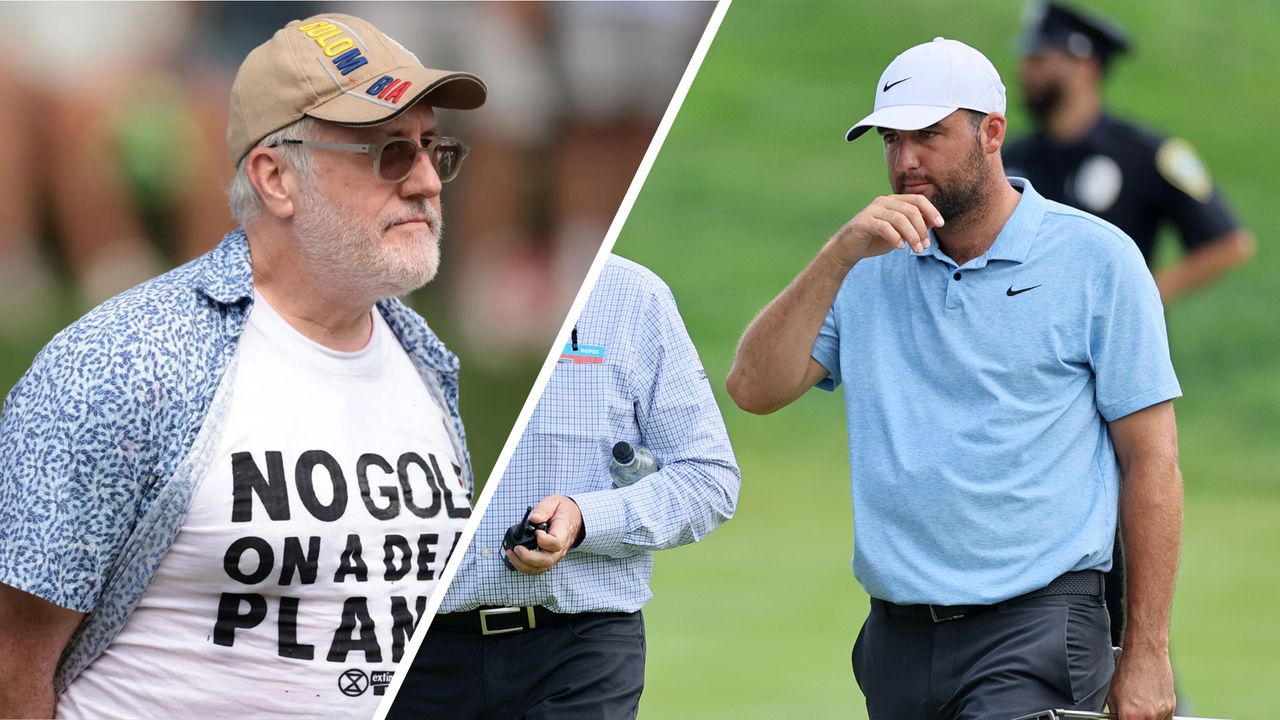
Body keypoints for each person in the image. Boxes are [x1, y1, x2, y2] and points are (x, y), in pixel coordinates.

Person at [0, 13, 487, 718]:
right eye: (387, 152)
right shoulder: (120, 363)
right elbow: (13, 663)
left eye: (432, 149)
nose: (426, 183)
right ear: (276, 178)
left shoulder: (424, 358)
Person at [727, 37, 1182, 720]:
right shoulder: (865, 264)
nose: (905, 161)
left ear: (991, 132)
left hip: (1035, 630)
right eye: (890, 139)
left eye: (929, 136)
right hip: (895, 640)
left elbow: (1152, 460)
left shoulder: (1098, 260)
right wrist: (838, 255)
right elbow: (752, 390)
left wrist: (1146, 651)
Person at [390, 254, 741, 720]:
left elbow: (708, 476)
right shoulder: (391, 291)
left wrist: (584, 519)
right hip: (416, 652)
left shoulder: (634, 296)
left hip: (578, 650)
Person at [1004, 2, 1255, 306]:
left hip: (1113, 349)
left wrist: (1136, 297)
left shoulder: (1147, 154)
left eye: (1039, 59)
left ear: (1086, 67)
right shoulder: (1011, 157)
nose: (1024, 71)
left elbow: (1229, 243)